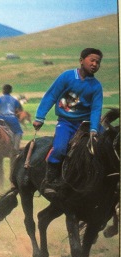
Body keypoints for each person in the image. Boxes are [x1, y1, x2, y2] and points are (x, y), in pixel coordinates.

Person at [33, 48, 103, 198]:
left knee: (106, 146)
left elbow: (96, 109)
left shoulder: (96, 86)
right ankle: (51, 180)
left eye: (98, 62)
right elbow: (51, 95)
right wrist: (40, 117)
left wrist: (94, 129)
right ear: (81, 60)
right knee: (59, 148)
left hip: (86, 124)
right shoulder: (67, 77)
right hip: (66, 122)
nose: (95, 64)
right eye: (92, 60)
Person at [0, 84, 23, 153]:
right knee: (18, 132)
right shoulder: (14, 100)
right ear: (11, 91)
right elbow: (18, 110)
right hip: (11, 118)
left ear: (3, 91)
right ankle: (15, 148)